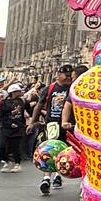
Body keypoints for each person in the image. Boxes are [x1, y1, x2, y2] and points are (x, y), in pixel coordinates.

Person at [28, 64, 74, 194]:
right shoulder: (50, 88)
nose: (69, 78)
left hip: (68, 125)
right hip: (52, 124)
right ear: (58, 75)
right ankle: (46, 178)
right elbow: (39, 105)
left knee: (65, 150)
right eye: (66, 75)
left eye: (71, 75)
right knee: (49, 150)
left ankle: (59, 175)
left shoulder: (73, 88)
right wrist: (33, 122)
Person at [0, 84, 28, 172]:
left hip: (18, 127)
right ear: (13, 92)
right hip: (6, 127)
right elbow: (1, 115)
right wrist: (9, 123)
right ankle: (6, 161)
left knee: (16, 146)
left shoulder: (21, 101)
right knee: (2, 146)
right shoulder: (4, 103)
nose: (20, 92)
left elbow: (25, 111)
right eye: (18, 91)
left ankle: (17, 163)